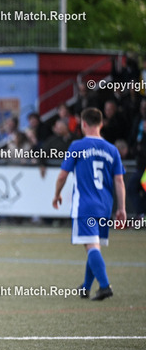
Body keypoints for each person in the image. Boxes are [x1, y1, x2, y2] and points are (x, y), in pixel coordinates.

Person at [53, 107, 126, 301]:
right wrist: (121, 208)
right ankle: (85, 287)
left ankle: (105, 286)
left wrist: (57, 194)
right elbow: (119, 181)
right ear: (101, 124)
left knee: (91, 246)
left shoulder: (77, 146)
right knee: (94, 246)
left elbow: (62, 175)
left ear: (83, 124)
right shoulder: (112, 149)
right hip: (104, 206)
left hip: (85, 205)